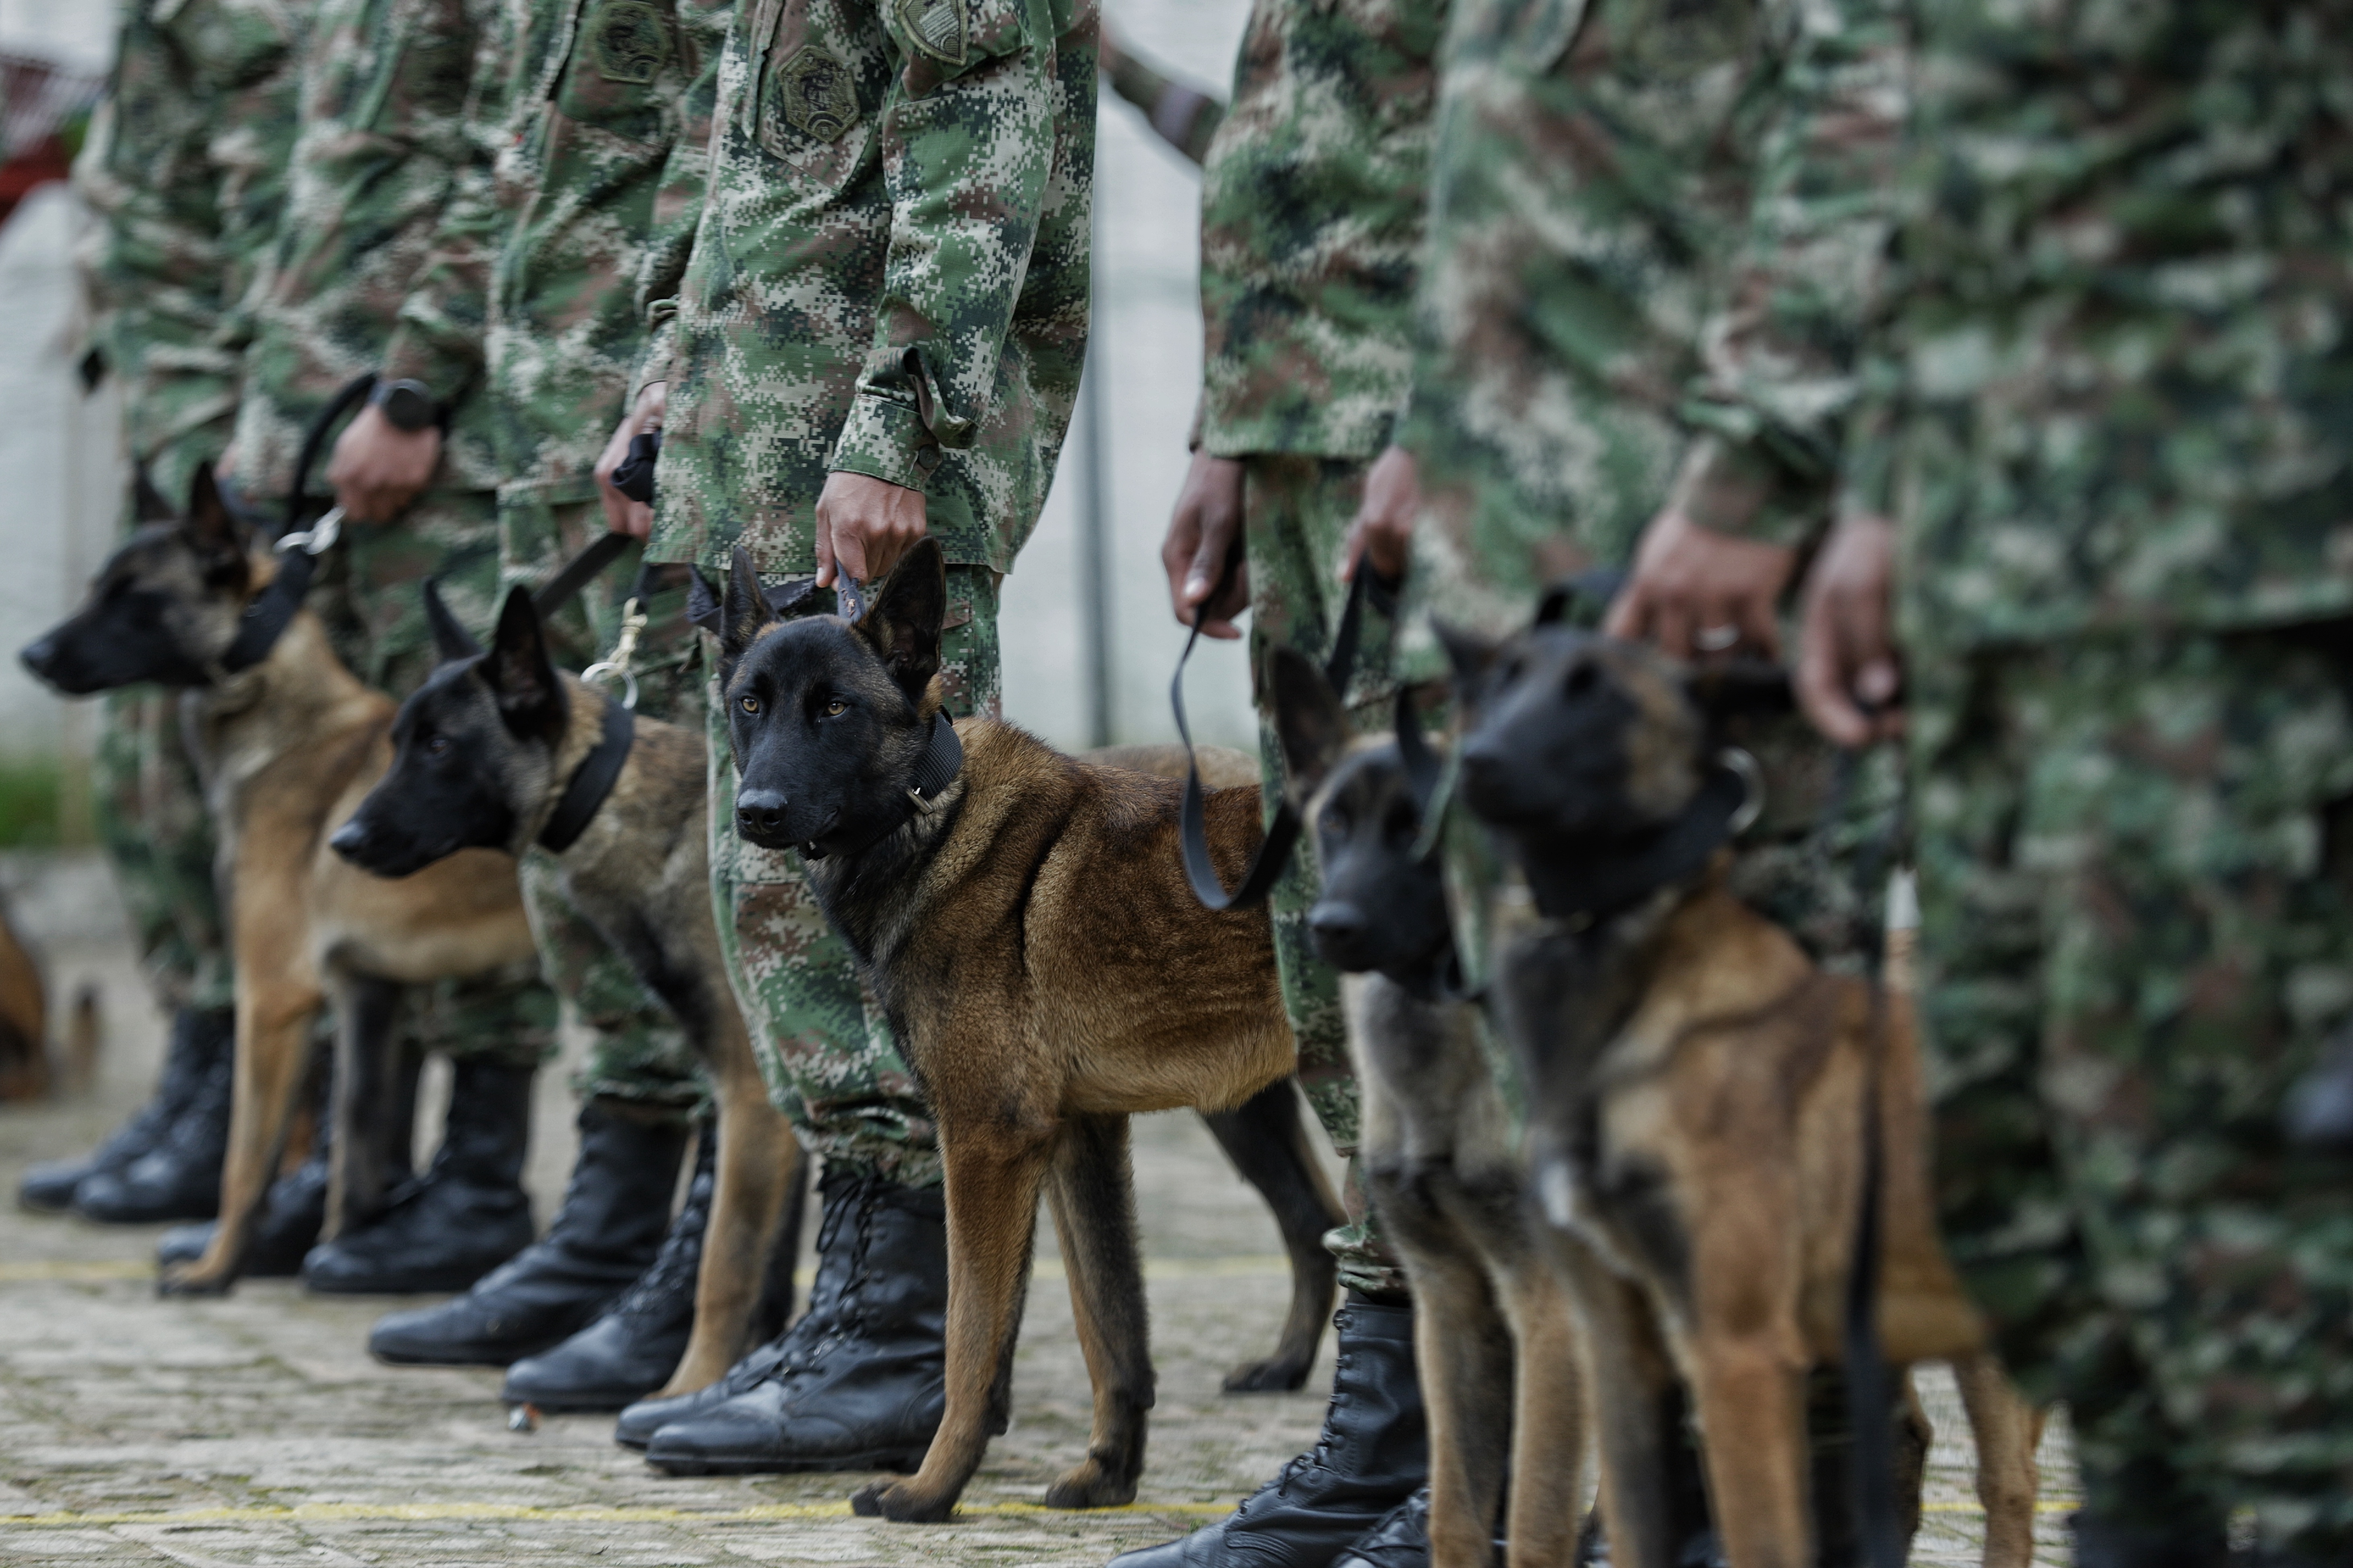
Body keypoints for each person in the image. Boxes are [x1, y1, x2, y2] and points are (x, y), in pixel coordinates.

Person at [1783, 3, 2353, 1559]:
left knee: (2240, 1152)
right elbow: (1940, 179)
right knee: (2034, 1154)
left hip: (2254, 550)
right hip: (2002, 560)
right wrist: (1879, 495)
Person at [1398, 0, 1935, 1558]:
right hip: (1523, 591)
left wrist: (1759, 461)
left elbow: (1878, 82)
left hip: (1714, 590)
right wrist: (1418, 450)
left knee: (1772, 1216)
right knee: (1598, 1219)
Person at [580, 0, 1098, 1474]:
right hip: (763, 438)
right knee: (787, 904)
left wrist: (898, 421)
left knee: (907, 920)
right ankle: (854, 1316)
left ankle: (895, 1349)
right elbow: (769, 153)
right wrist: (673, 383)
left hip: (862, 469)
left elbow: (984, 121)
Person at [321, 0, 762, 1397]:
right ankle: (617, 1225)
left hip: (659, 414)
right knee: (576, 848)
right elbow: (511, 170)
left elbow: (742, 135)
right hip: (547, 414)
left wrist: (677, 375)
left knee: (692, 875)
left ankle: (709, 1257)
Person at [1115, 0, 1446, 1565]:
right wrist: (1225, 430)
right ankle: (1389, 1434)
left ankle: (1521, 1462)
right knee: (1335, 963)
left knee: (1472, 978)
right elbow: (1288, 161)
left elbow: (1558, 164)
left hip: (1450, 446)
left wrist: (1456, 409)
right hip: (1311, 440)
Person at [206, 0, 579, 1298]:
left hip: (448, 446)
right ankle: (380, 1173)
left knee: (463, 813)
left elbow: (507, 160)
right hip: (350, 446)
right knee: (392, 832)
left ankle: (480, 1178)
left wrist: (416, 384)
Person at [21, 0, 307, 1231]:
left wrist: (265, 421)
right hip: (162, 397)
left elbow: (281, 205)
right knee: (149, 773)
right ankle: (197, 1060)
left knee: (212, 776)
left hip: (221, 423)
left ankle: (244, 1087)